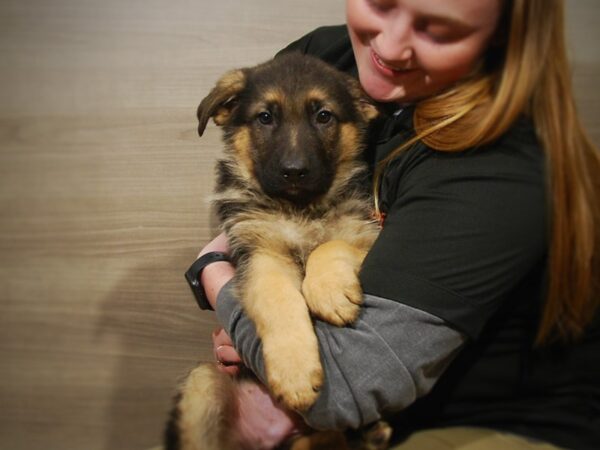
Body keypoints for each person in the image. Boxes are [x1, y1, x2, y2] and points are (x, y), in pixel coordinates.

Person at [194, 0, 600, 448]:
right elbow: (254, 203)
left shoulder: (500, 166)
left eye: (437, 29)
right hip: (365, 409)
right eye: (381, 3)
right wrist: (259, 315)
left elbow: (339, 389)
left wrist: (217, 277)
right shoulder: (331, 59)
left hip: (489, 426)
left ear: (502, 34)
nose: (389, 45)